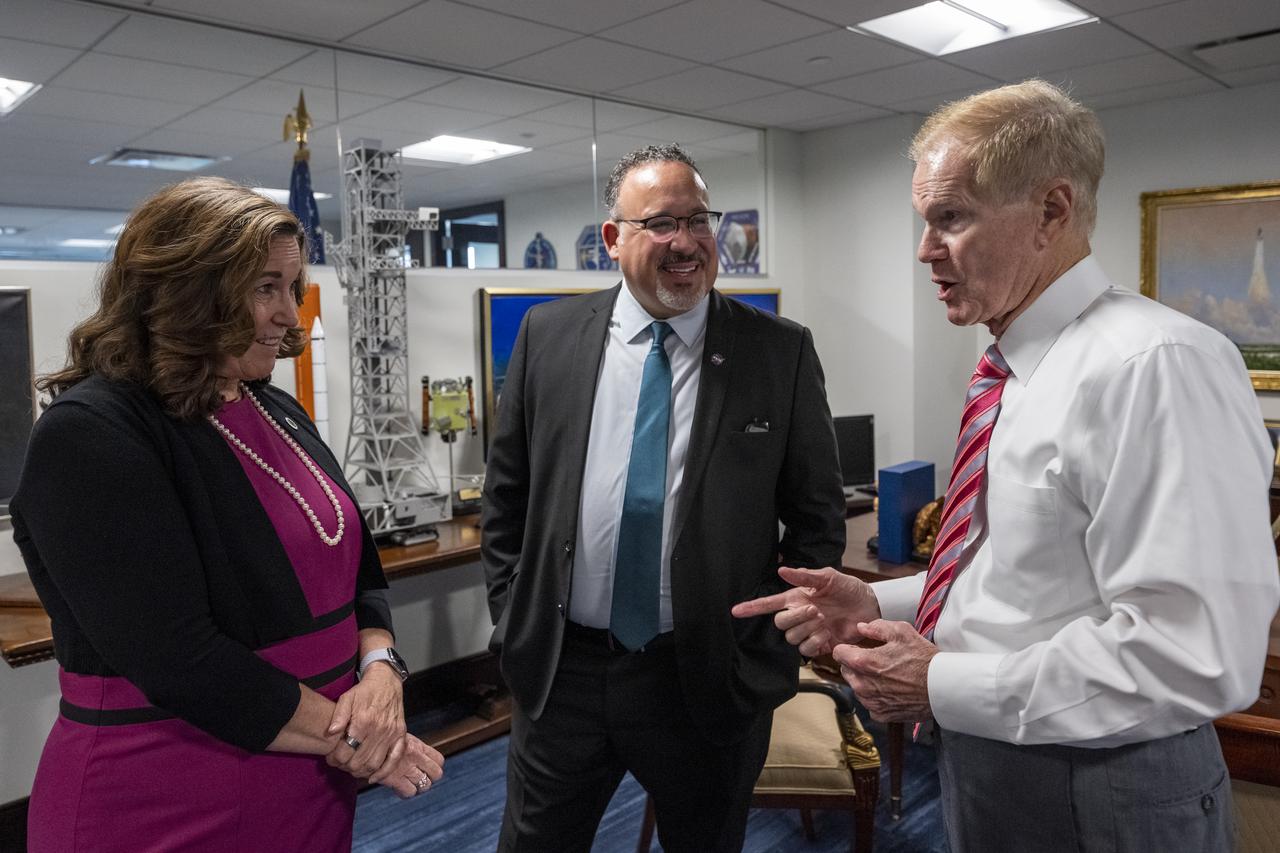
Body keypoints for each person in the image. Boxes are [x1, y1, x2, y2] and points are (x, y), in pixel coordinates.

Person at [733, 80, 1280, 852]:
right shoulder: (1013, 369)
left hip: (1103, 786)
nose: (924, 251)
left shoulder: (1154, 365)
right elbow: (1020, 571)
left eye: (949, 218)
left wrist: (939, 681)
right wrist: (881, 601)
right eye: (925, 222)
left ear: (1052, 211)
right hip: (995, 763)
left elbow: (1194, 652)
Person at [12, 177, 444, 853]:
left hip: (307, 773)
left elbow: (358, 572)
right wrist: (364, 740)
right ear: (188, 289)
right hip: (167, 790)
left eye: (291, 286)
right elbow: (178, 656)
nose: (289, 318)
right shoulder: (91, 432)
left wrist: (383, 668)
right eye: (265, 287)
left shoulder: (276, 407)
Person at [481, 143, 845, 852]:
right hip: (565, 673)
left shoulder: (778, 352)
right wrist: (512, 616)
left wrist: (762, 645)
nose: (686, 242)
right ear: (614, 239)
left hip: (704, 676)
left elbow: (816, 516)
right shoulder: (548, 337)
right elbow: (508, 498)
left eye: (699, 220)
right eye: (662, 223)